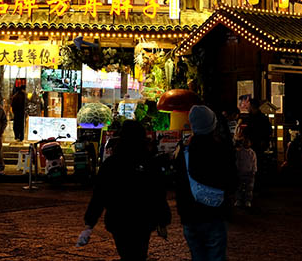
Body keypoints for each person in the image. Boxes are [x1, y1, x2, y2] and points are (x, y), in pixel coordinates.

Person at [78, 120, 170, 260]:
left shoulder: (112, 163)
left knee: (127, 253)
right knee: (139, 253)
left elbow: (99, 195)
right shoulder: (149, 162)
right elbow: (158, 193)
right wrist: (162, 221)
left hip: (119, 219)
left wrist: (90, 223)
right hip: (143, 219)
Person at [174, 105, 236, 261]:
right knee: (216, 255)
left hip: (190, 214)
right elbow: (231, 179)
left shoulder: (184, 151)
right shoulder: (220, 149)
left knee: (197, 256)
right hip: (214, 212)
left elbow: (178, 184)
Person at [235, 138, 257, 208]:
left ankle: (248, 201)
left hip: (249, 173)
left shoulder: (252, 152)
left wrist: (254, 171)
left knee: (249, 188)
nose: (247, 144)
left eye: (248, 142)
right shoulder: (239, 152)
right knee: (239, 187)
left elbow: (254, 163)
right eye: (245, 142)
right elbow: (237, 162)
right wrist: (237, 170)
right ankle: (238, 200)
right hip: (241, 172)